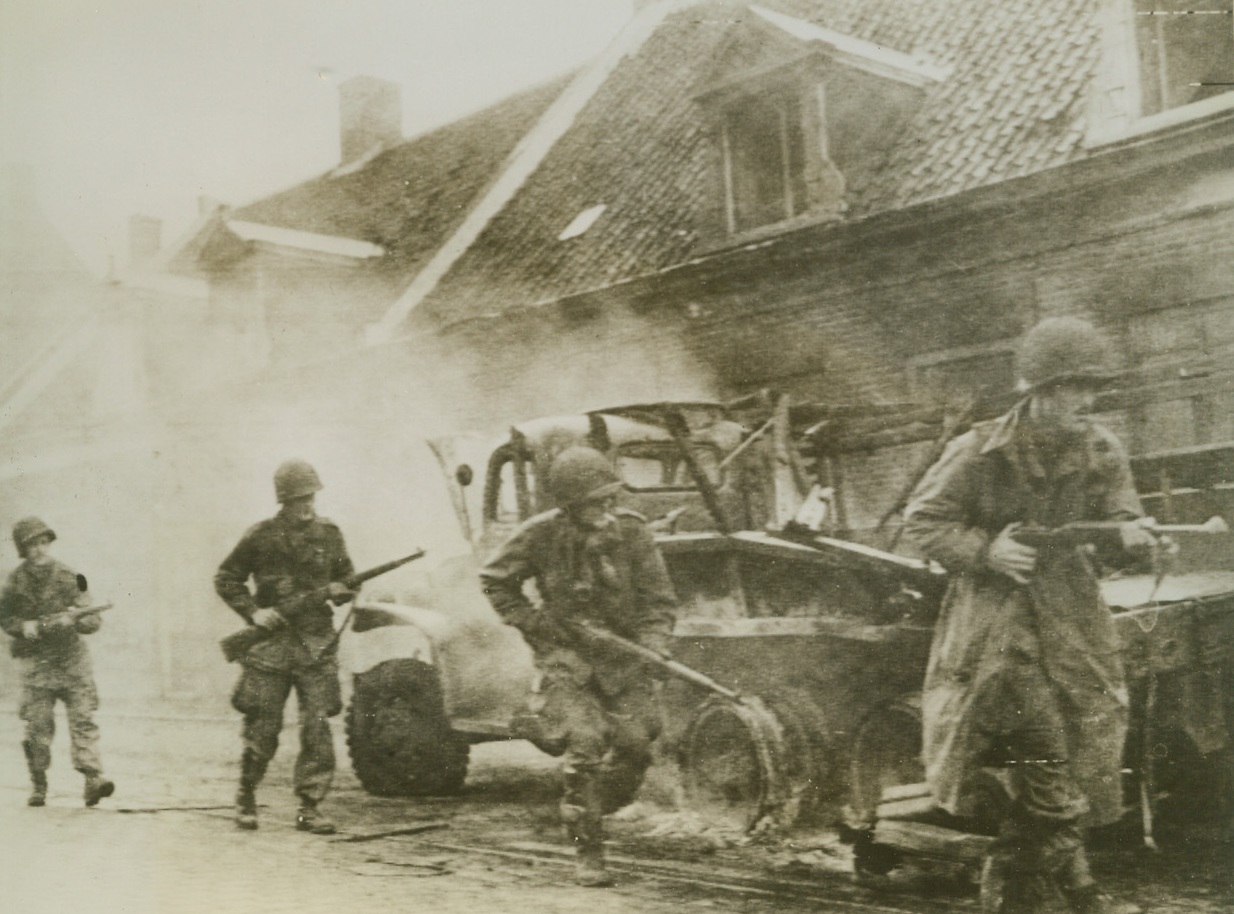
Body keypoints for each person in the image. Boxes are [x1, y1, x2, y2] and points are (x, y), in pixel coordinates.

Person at [902, 317, 1155, 914]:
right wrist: (986, 552)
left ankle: (1068, 893)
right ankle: (1023, 889)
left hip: (1073, 622)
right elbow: (923, 521)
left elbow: (1121, 518)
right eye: (1072, 388)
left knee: (1081, 761)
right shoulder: (977, 450)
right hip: (1000, 631)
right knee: (1052, 774)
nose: (1087, 402)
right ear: (1036, 391)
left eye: (1093, 388)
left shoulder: (1102, 450)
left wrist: (1134, 536)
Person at [480, 446, 677, 887]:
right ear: (570, 505)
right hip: (566, 659)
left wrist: (653, 644)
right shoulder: (541, 536)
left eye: (611, 498)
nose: (607, 508)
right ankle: (588, 849)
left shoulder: (633, 533)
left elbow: (659, 602)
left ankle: (582, 809)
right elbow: (494, 580)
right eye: (596, 502)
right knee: (585, 743)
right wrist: (538, 624)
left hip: (622, 658)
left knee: (638, 744)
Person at [214, 459, 355, 834]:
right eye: (298, 500)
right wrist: (253, 614)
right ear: (283, 500)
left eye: (310, 498)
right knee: (262, 727)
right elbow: (227, 578)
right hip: (272, 645)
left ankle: (310, 807)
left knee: (318, 728)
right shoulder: (260, 536)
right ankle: (246, 794)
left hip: (315, 643)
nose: (307, 507)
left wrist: (343, 591)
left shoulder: (329, 534)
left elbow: (346, 577)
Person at [0, 517, 113, 808]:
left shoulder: (71, 575)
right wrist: (25, 627)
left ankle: (93, 779)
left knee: (84, 720)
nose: (40, 550)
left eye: (43, 542)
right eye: (32, 545)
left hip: (72, 661)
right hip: (37, 663)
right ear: (22, 550)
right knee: (38, 727)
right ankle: (39, 782)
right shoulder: (14, 581)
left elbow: (92, 616)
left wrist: (77, 620)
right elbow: (5, 616)